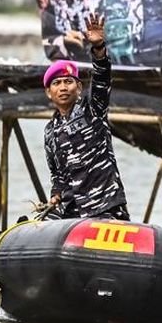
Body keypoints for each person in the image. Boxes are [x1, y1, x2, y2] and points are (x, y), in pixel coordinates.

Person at [42, 12, 129, 220]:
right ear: (49, 92)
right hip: (73, 213)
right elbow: (57, 175)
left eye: (68, 81)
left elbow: (101, 78)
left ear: (78, 87)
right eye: (56, 83)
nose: (63, 87)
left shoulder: (93, 110)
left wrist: (98, 48)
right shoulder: (50, 132)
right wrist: (55, 194)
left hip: (105, 205)